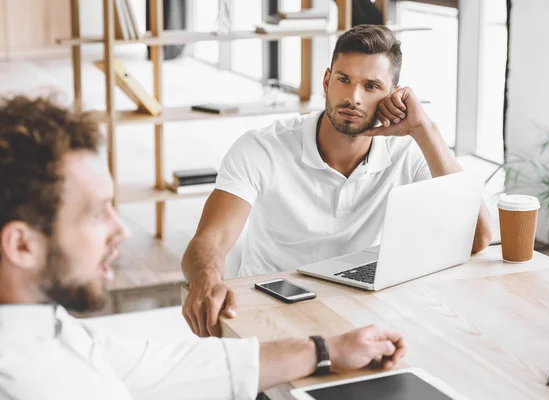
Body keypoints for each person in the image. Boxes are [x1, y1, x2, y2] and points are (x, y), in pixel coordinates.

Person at [0, 95, 407, 400]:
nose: (121, 231)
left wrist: (326, 349)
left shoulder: (41, 325)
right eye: (95, 214)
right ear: (21, 245)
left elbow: (149, 367)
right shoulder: (24, 380)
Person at [182, 24, 493, 337]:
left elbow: (477, 237)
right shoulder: (261, 147)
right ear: (327, 81)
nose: (353, 98)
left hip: (364, 308)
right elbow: (212, 238)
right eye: (344, 80)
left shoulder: (409, 150)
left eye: (371, 86)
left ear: (393, 96)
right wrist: (207, 278)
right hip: (272, 307)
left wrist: (424, 129)